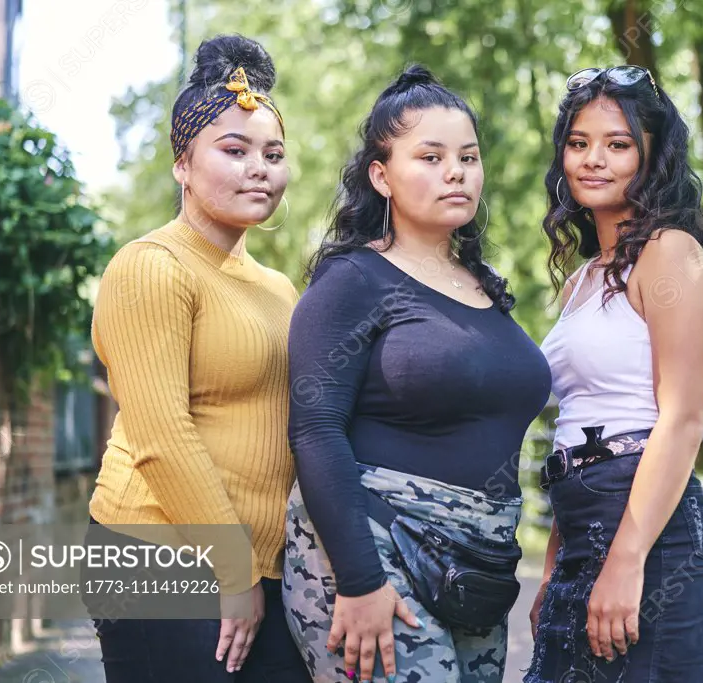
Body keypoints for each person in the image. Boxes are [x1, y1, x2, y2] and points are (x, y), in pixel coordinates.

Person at [283, 65, 552, 683]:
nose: (455, 171)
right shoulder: (352, 281)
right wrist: (358, 580)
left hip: (476, 566)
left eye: (467, 156)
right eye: (429, 156)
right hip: (373, 554)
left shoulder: (486, 290)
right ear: (381, 176)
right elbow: (315, 430)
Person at [86, 34, 311, 683]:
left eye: (273, 153)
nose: (259, 168)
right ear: (182, 164)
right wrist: (232, 569)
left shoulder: (278, 288)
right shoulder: (150, 267)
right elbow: (160, 435)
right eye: (234, 151)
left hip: (259, 565)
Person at [524, 66, 703, 683]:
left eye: (618, 144)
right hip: (581, 532)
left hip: (656, 542)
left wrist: (626, 559)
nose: (594, 159)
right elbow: (575, 425)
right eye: (578, 142)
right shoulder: (582, 279)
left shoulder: (671, 252)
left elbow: (682, 416)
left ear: (652, 158)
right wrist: (554, 569)